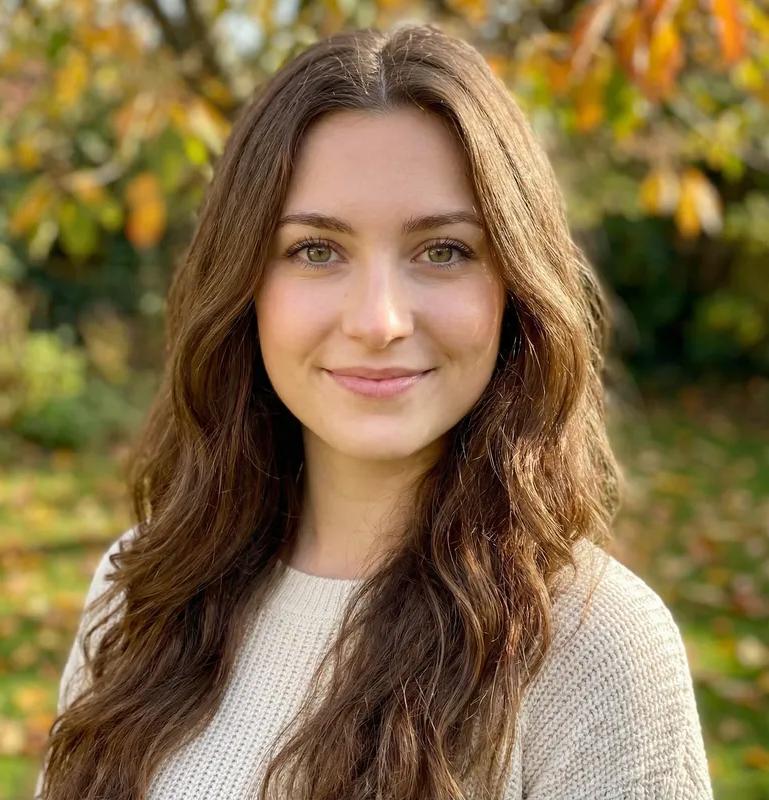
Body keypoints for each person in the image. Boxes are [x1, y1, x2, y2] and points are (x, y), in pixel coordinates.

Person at [35, 23, 714, 800]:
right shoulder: (137, 592)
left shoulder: (596, 651)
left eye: (444, 250)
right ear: (245, 286)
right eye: (318, 250)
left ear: (517, 289)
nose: (379, 320)